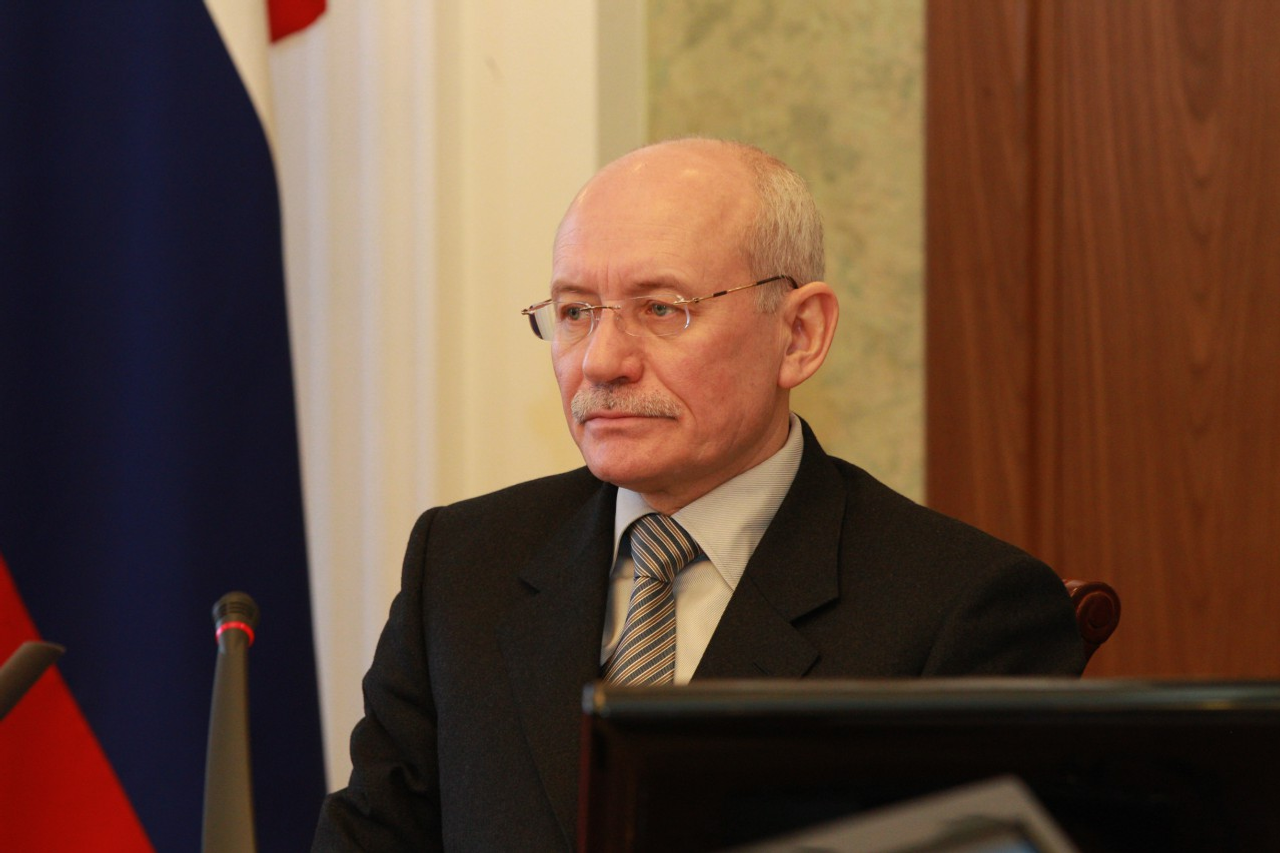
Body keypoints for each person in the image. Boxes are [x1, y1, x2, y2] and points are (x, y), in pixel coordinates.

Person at [312, 138, 1085, 851]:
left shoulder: (963, 611)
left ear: (799, 334)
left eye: (661, 309)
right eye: (576, 312)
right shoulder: (462, 565)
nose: (601, 362)